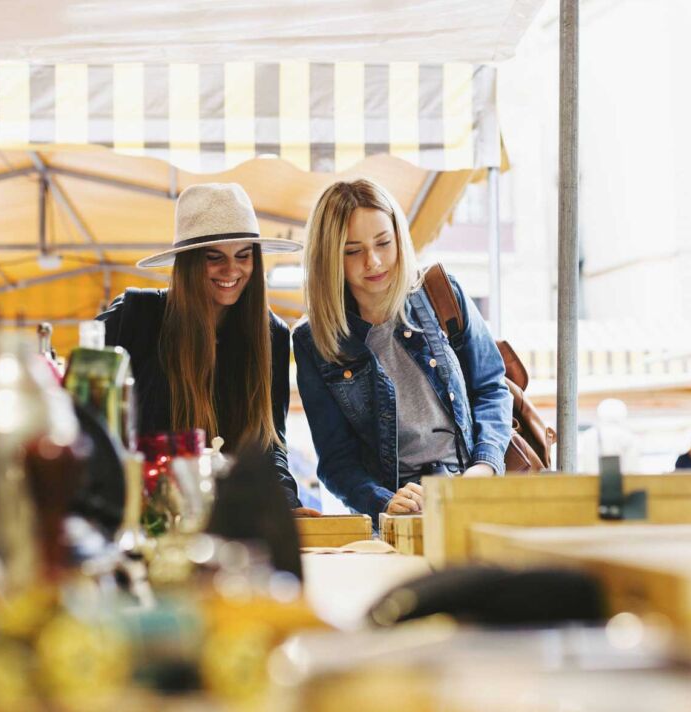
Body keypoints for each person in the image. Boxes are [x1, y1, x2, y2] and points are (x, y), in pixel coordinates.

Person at [292, 178, 513, 517]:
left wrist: (483, 466)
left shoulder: (442, 293)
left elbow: (492, 389)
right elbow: (336, 462)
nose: (374, 262)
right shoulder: (314, 340)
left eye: (384, 243)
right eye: (352, 251)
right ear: (328, 257)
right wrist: (384, 501)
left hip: (470, 495)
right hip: (397, 517)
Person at [97, 183, 311, 511]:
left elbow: (269, 446)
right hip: (141, 515)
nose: (232, 270)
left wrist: (286, 505)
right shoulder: (135, 316)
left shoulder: (273, 336)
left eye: (244, 256)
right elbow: (85, 415)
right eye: (214, 258)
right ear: (188, 263)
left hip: (230, 524)